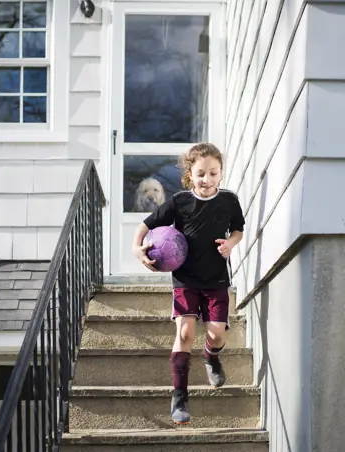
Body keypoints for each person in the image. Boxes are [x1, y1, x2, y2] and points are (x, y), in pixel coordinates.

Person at [131, 142, 245, 425]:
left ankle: (211, 357)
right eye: (201, 174)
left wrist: (231, 243)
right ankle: (179, 396)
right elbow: (145, 226)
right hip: (185, 280)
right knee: (184, 334)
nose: (207, 180)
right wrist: (137, 248)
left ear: (221, 173)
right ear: (190, 175)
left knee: (217, 333)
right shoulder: (179, 203)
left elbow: (238, 229)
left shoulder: (229, 201)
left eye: (213, 173)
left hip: (216, 278)